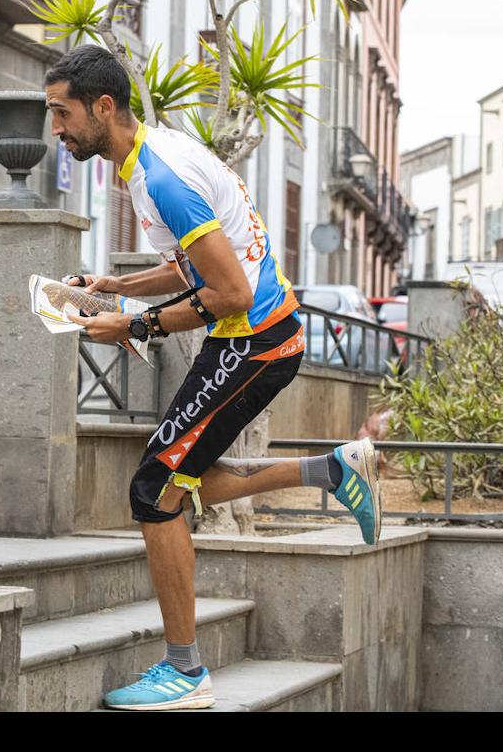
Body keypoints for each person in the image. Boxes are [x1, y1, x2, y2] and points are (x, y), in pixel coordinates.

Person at [45, 44, 382, 711]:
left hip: (252, 340)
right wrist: (115, 287)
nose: (56, 128)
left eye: (62, 112)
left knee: (153, 488)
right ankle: (336, 471)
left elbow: (226, 292)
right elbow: (196, 267)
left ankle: (185, 671)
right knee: (180, 476)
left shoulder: (162, 176)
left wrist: (133, 327)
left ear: (103, 107)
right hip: (256, 337)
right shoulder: (152, 159)